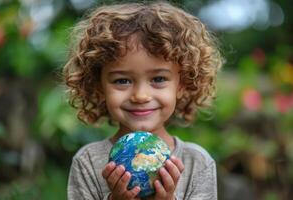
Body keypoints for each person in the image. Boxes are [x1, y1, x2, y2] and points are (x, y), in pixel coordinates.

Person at [64, 1, 222, 200]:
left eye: (158, 79)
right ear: (99, 86)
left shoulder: (197, 163)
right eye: (122, 80)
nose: (140, 96)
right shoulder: (87, 162)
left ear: (182, 85)